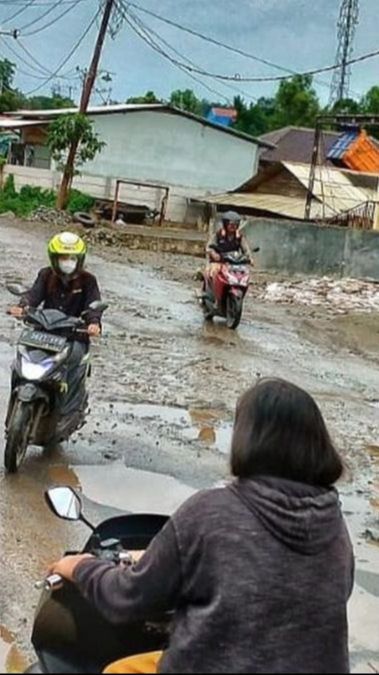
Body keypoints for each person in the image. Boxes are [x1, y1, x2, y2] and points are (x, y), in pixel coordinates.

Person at [48, 378, 354, 674]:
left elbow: (127, 597)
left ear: (249, 438)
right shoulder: (334, 526)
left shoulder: (211, 511)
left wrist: (80, 566)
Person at [9, 231, 102, 436]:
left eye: (71, 258)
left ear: (79, 260)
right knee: (21, 359)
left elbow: (93, 306)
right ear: (54, 258)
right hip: (45, 331)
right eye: (62, 258)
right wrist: (22, 306)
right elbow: (34, 295)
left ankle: (68, 411)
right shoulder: (46, 275)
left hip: (74, 335)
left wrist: (94, 323)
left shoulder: (88, 281)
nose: (67, 262)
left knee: (73, 363)